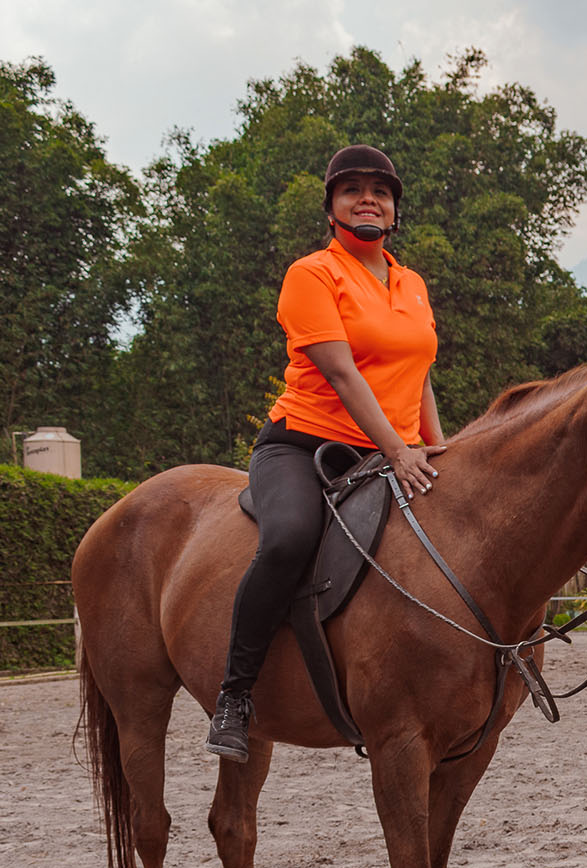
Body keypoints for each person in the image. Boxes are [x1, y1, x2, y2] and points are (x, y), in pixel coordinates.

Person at [206, 144, 447, 761]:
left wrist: (439, 450)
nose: (369, 198)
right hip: (305, 446)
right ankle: (236, 694)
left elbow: (418, 375)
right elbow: (342, 373)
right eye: (353, 190)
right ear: (332, 206)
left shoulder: (412, 284)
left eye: (381, 191)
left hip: (392, 451)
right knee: (288, 537)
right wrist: (397, 450)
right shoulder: (312, 274)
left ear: (395, 211)